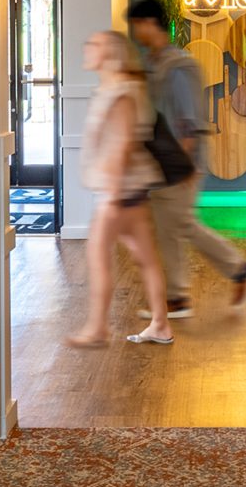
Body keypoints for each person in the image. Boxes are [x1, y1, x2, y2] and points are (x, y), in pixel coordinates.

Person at [124, 0, 246, 319]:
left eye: (137, 25)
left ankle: (239, 270)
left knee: (181, 224)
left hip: (179, 162)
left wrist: (185, 166)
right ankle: (178, 297)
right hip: (160, 162)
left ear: (150, 23)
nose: (135, 32)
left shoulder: (179, 66)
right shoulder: (153, 63)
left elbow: (189, 120)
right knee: (167, 227)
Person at [66, 30, 175, 347]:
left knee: (98, 255)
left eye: (95, 44)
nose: (87, 47)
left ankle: (97, 329)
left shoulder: (121, 92)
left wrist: (113, 195)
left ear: (111, 53)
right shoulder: (117, 88)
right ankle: (160, 325)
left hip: (119, 191)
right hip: (130, 190)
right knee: (146, 258)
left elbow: (122, 144)